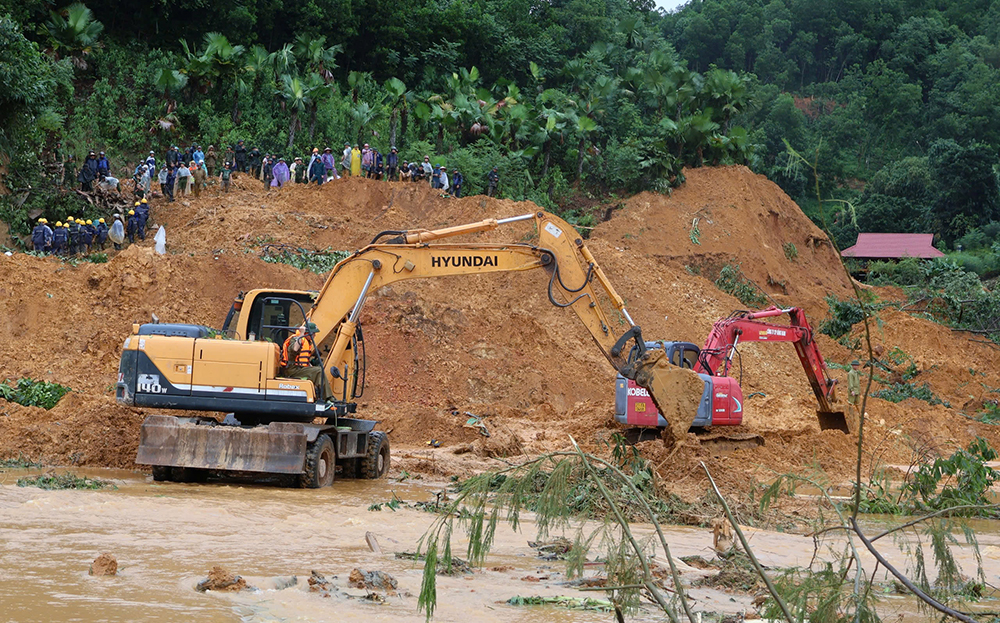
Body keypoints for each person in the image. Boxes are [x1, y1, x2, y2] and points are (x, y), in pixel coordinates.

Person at [279, 322, 328, 402]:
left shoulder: (305, 341)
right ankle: (327, 398)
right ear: (307, 333)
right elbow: (295, 349)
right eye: (313, 333)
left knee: (317, 370)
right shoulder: (296, 339)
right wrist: (301, 334)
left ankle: (319, 396)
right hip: (292, 370)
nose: (314, 335)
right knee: (319, 371)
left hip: (297, 368)